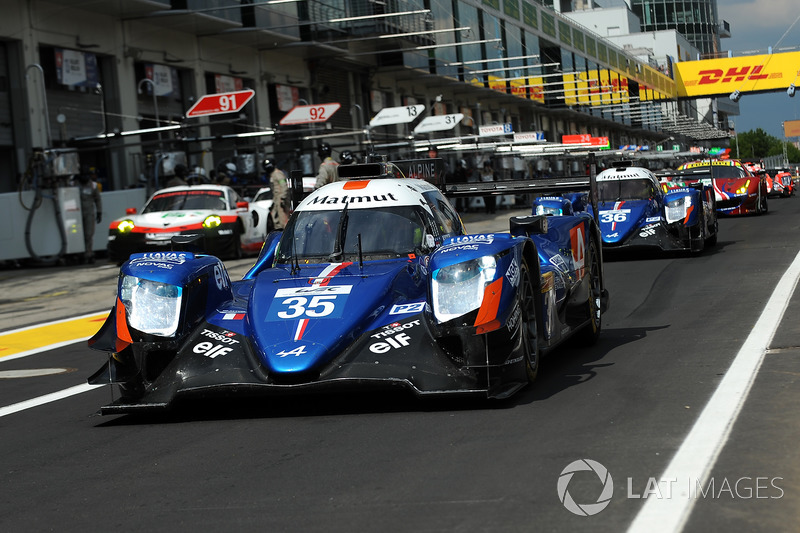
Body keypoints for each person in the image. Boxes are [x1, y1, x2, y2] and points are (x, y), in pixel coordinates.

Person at [77, 167, 103, 264]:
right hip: (76, 214)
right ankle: (79, 252)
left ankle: (88, 253)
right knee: (78, 235)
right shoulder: (75, 185)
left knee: (88, 234)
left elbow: (98, 199)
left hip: (89, 213)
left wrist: (99, 212)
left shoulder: (93, 185)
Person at [264, 158, 292, 230]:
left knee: (283, 220)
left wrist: (282, 198)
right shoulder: (272, 175)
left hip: (281, 199)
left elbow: (284, 186)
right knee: (276, 220)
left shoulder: (278, 173)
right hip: (277, 199)